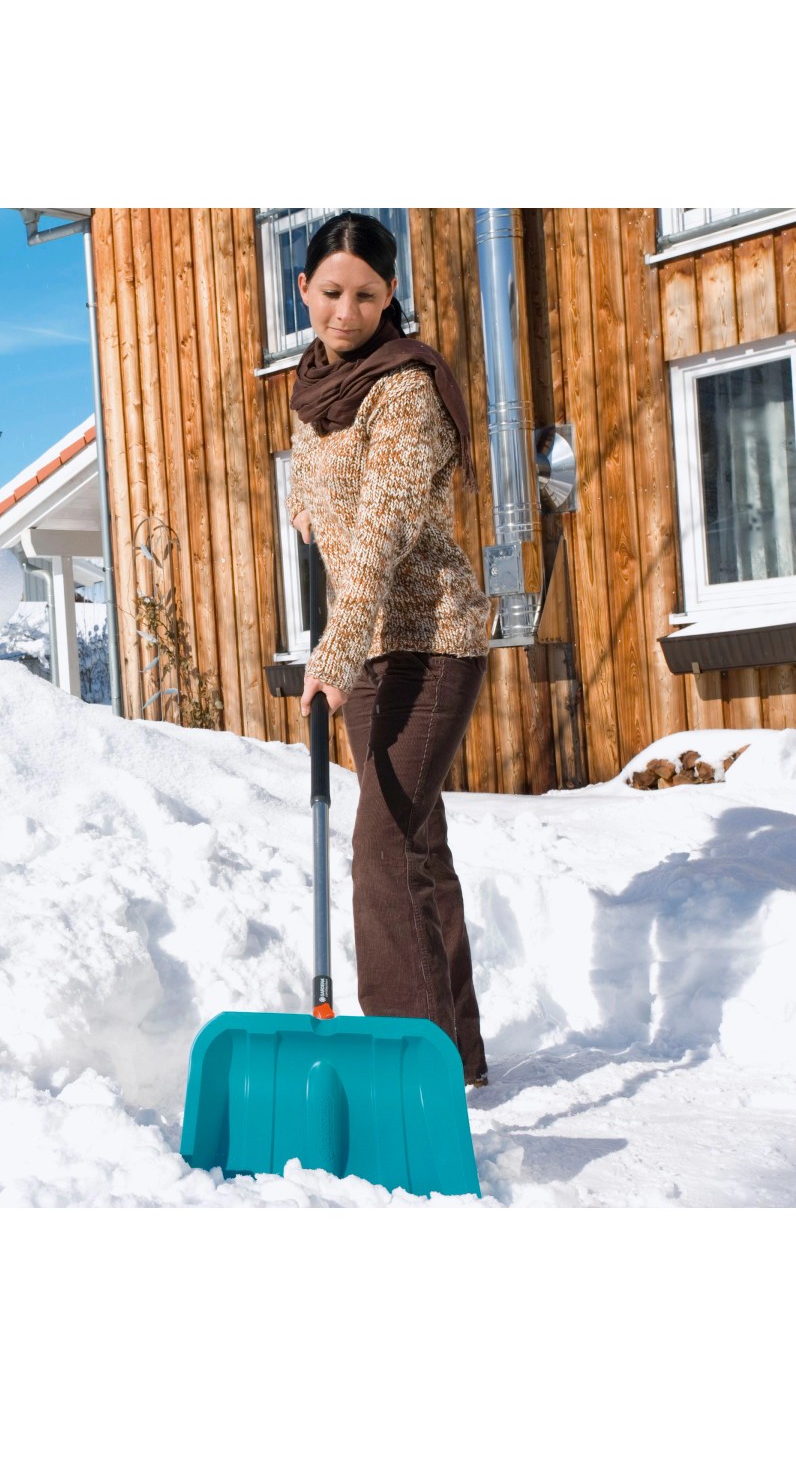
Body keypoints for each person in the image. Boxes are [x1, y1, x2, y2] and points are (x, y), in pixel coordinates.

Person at [286, 211, 493, 1086]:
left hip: (430, 642)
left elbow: (382, 532)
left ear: (390, 296)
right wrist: (305, 503)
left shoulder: (404, 388)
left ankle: (409, 1072)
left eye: (367, 295)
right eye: (331, 292)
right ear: (304, 289)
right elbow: (324, 485)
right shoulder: (314, 389)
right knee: (416, 844)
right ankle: (458, 1062)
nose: (346, 311)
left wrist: (328, 655)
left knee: (381, 848)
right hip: (371, 653)